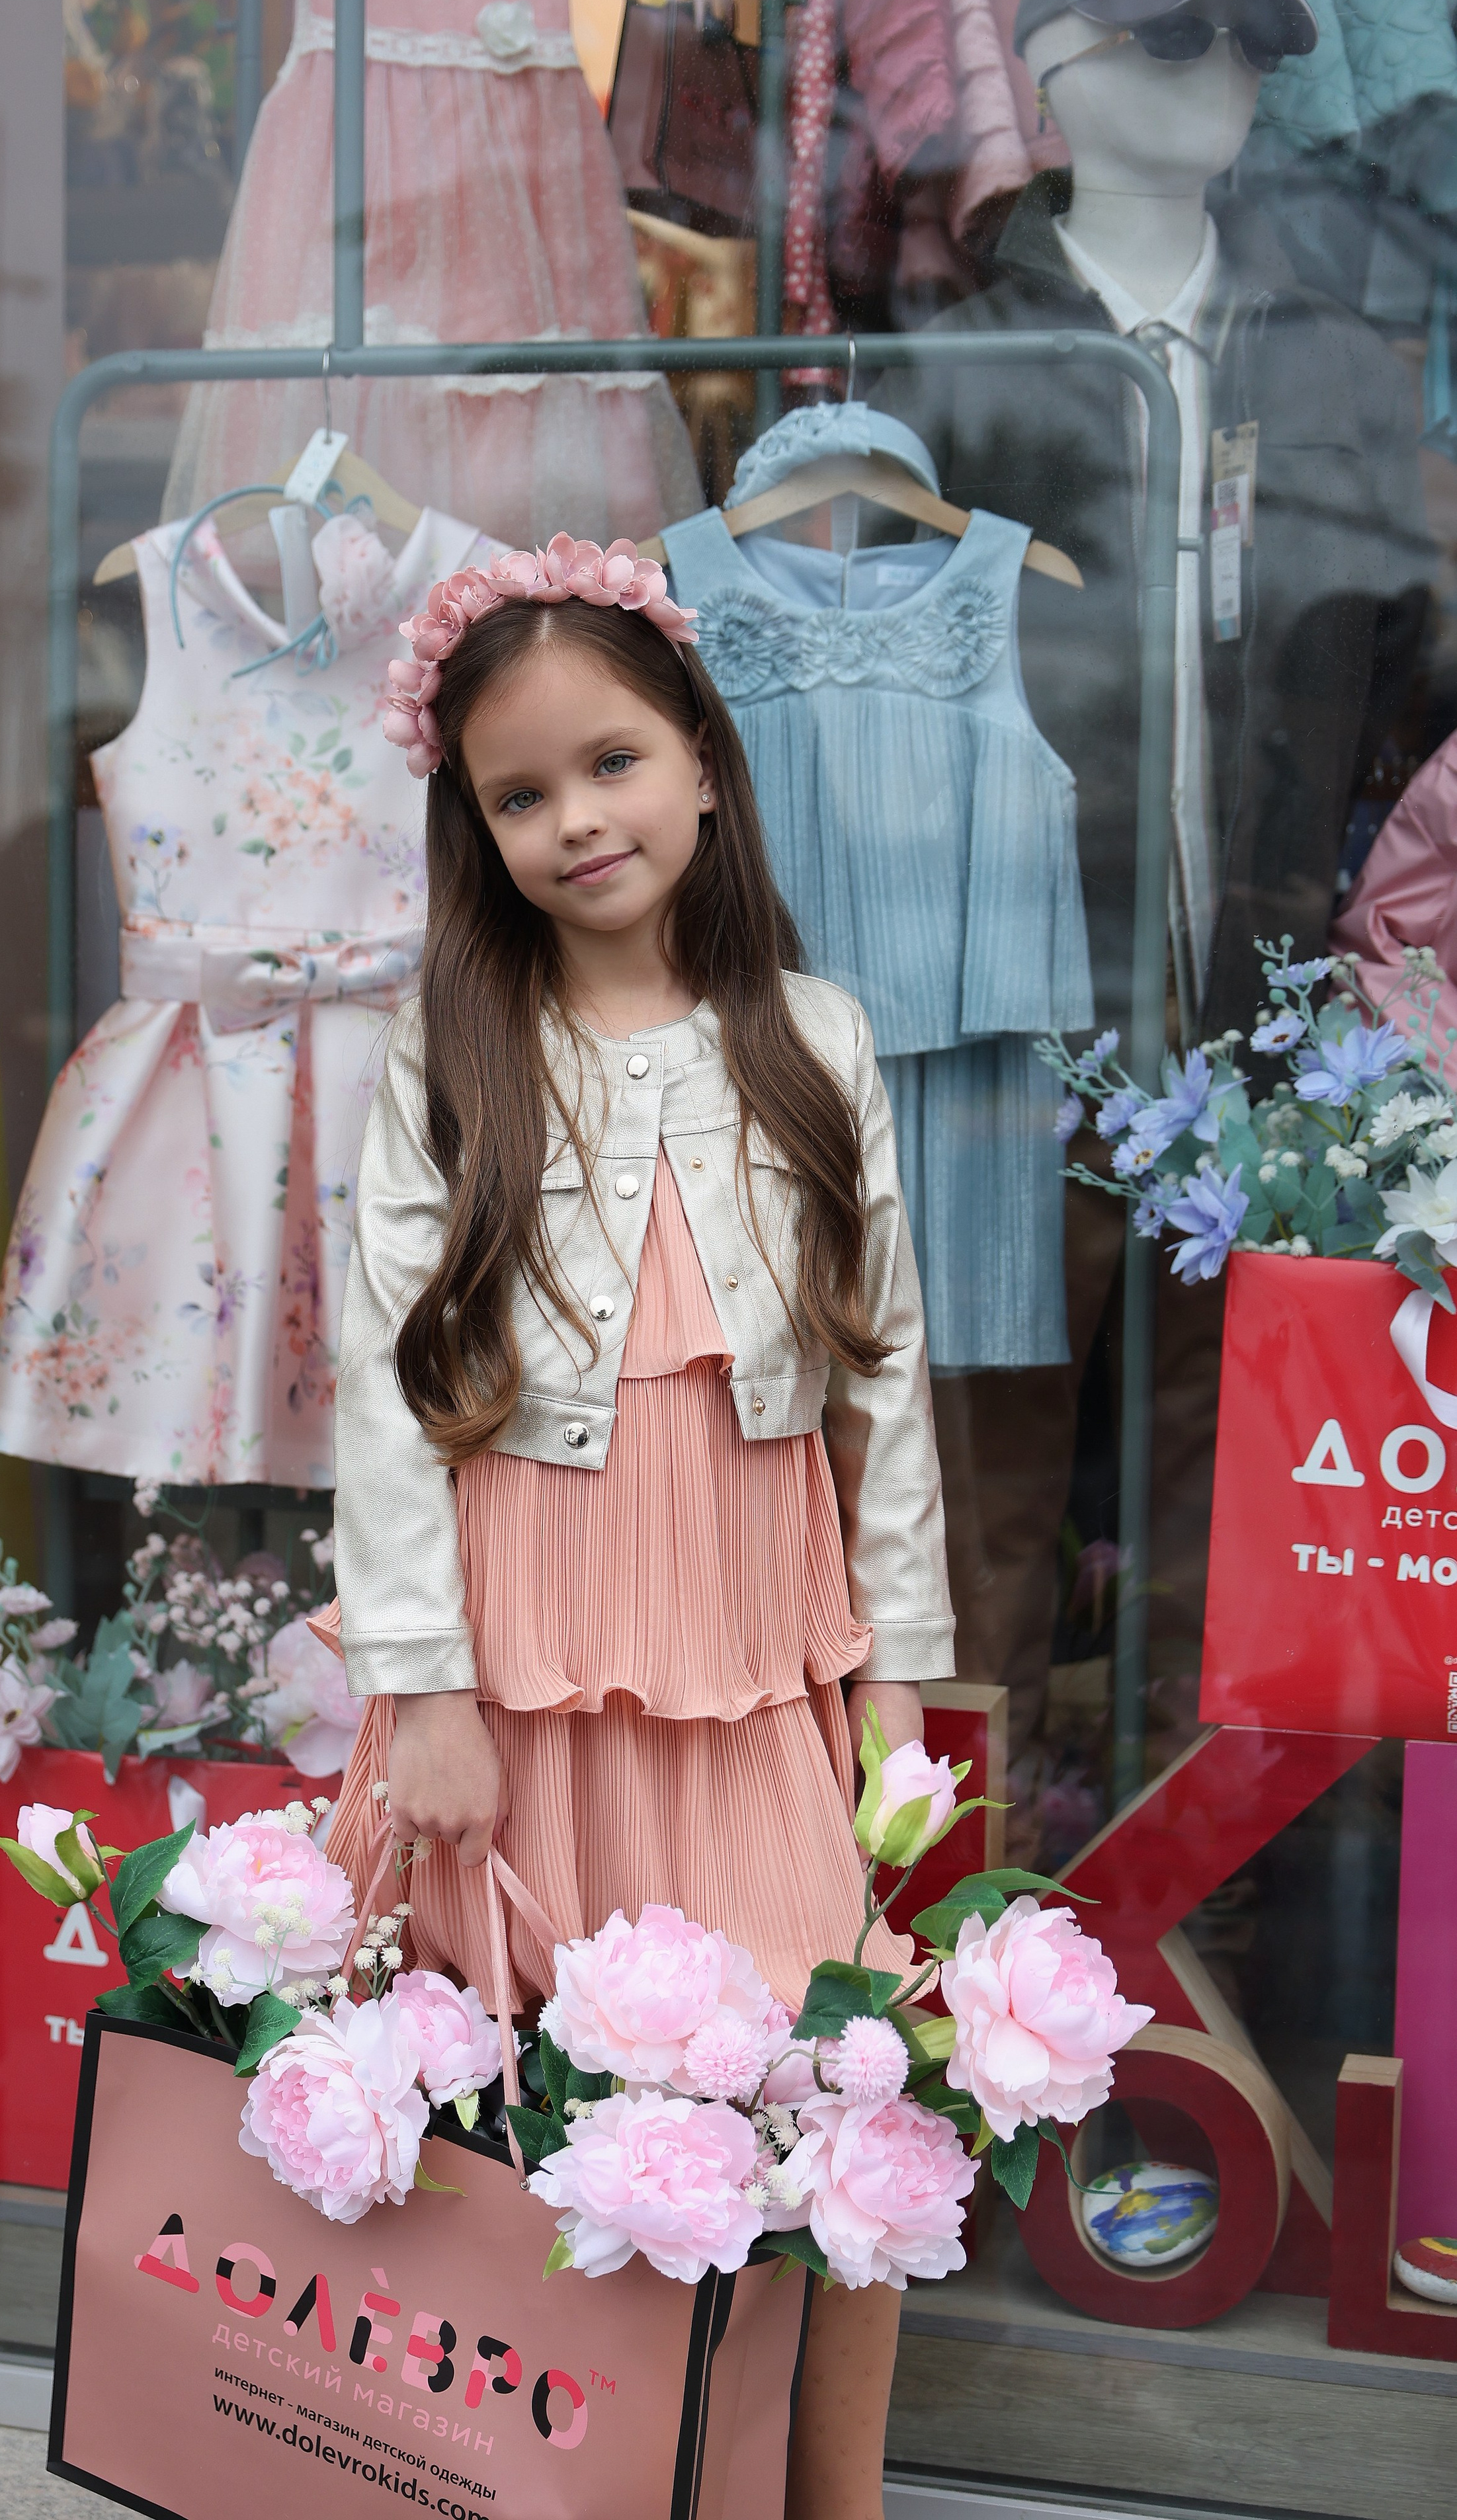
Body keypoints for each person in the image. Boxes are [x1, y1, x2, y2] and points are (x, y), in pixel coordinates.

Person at [322, 540, 958, 2520]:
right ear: (476, 826)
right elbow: (385, 1391)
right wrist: (424, 1689)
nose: (575, 819)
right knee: (524, 2112)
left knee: (835, 2089)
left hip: (754, 1660)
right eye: (519, 795)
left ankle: (820, 2496)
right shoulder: (451, 1054)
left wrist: (902, 1686)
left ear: (699, 759)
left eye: (609, 763)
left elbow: (891, 1389)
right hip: (518, 1673)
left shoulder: (819, 1041)